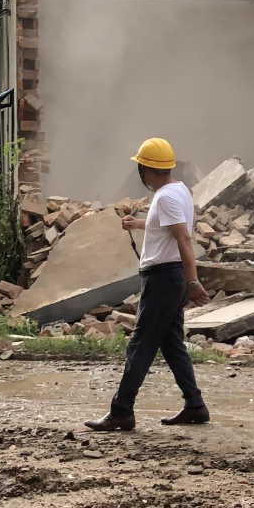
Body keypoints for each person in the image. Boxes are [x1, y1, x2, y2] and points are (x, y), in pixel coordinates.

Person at [85, 138, 212, 431]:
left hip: (164, 278)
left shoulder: (165, 197)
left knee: (140, 344)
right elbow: (167, 226)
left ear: (146, 170)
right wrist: (138, 224)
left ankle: (121, 411)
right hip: (171, 277)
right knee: (172, 345)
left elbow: (183, 238)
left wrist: (193, 281)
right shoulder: (179, 191)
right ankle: (195, 406)